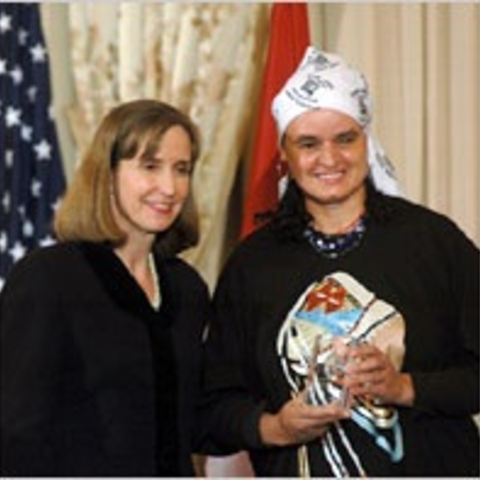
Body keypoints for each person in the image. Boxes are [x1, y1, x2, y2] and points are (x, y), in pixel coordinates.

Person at [200, 46, 479, 477]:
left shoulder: (433, 243)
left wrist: (404, 387)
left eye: (345, 139)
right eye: (308, 144)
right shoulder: (251, 266)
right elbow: (211, 408)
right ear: (285, 155)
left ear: (367, 141)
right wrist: (276, 428)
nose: (329, 159)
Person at [0, 99, 210, 476]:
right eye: (150, 166)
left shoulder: (187, 288)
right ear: (107, 173)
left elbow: (195, 424)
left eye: (182, 169)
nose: (169, 187)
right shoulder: (48, 278)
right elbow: (16, 434)